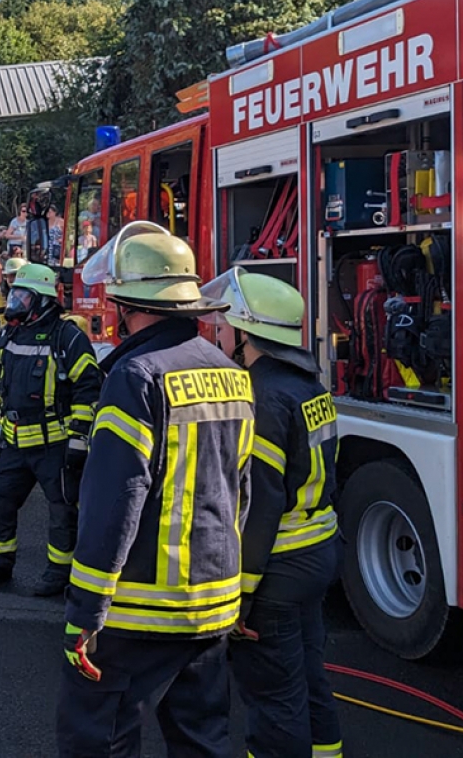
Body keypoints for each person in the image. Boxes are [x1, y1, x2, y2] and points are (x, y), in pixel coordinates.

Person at [58, 221, 253, 757]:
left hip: (140, 611)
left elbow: (114, 503)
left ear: (125, 305)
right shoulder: (231, 372)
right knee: (201, 740)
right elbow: (242, 489)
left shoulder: (136, 376)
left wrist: (85, 612)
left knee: (97, 736)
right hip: (212, 605)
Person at [199, 267, 343, 758]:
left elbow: (259, 504)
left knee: (273, 698)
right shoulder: (309, 385)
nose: (217, 332)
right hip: (318, 552)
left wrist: (240, 593)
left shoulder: (260, 396)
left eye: (224, 324)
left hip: (277, 567)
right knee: (309, 678)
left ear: (246, 332)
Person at [0, 263, 102, 594]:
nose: (14, 302)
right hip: (12, 442)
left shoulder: (68, 338)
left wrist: (79, 438)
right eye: (14, 294)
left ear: (43, 301)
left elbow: (88, 389)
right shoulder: (8, 335)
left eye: (23, 296)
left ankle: (59, 572)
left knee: (62, 510)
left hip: (53, 444)